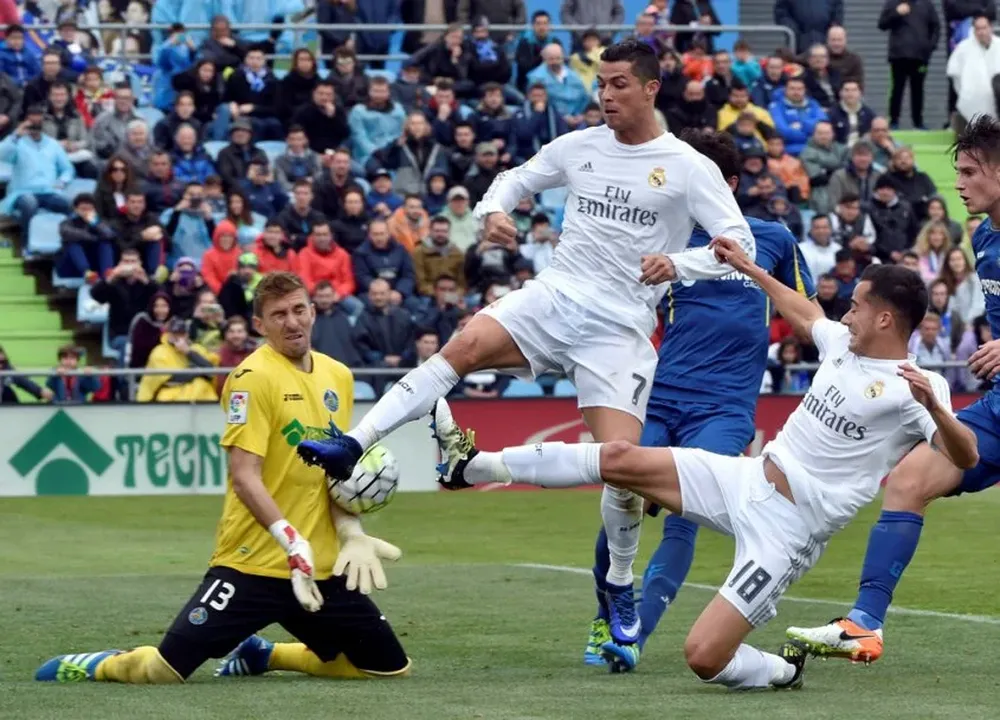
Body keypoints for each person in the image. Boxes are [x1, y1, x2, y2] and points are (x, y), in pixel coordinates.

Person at [294, 39, 754, 670]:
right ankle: (353, 441)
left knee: (621, 467)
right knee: (462, 345)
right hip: (556, 296)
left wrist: (679, 261)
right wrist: (493, 212)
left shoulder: (684, 165)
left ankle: (614, 580)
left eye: (620, 84)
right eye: (602, 84)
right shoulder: (579, 146)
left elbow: (737, 241)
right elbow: (512, 181)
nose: (607, 95)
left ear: (650, 89)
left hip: (619, 328)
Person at [434, 251, 975, 691]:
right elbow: (802, 311)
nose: (846, 314)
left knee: (703, 657)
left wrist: (935, 409)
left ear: (885, 317)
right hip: (747, 478)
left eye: (856, 306)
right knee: (621, 458)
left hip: (788, 534)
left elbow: (965, 455)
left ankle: (782, 670)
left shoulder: (917, 386)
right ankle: (476, 465)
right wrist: (750, 268)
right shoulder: (840, 343)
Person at [36, 271, 409, 685]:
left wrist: (351, 531)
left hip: (318, 566)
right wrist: (291, 540)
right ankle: (100, 664)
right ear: (259, 325)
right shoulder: (251, 379)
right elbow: (243, 476)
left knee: (387, 667)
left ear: (313, 312)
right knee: (165, 671)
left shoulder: (338, 375)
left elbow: (333, 474)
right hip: (253, 561)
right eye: (278, 314)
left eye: (299, 310)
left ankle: (265, 655)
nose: (292, 322)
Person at [568, 129, 816, 662]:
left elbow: (807, 313)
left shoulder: (772, 240)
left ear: (726, 183)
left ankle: (632, 635)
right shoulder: (667, 238)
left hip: (725, 410)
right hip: (658, 399)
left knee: (687, 516)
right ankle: (605, 618)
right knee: (622, 498)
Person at [784, 116, 1000, 664]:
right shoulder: (985, 237)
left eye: (971, 172)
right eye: (958, 171)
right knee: (906, 480)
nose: (959, 183)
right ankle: (864, 625)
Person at [878, 0, 941, 129]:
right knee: (897, 89)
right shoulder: (893, 3)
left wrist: (930, 46)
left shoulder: (926, 4)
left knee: (918, 89)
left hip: (920, 56)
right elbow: (882, 24)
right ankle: (894, 121)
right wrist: (896, 12)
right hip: (899, 55)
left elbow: (935, 26)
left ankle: (918, 122)